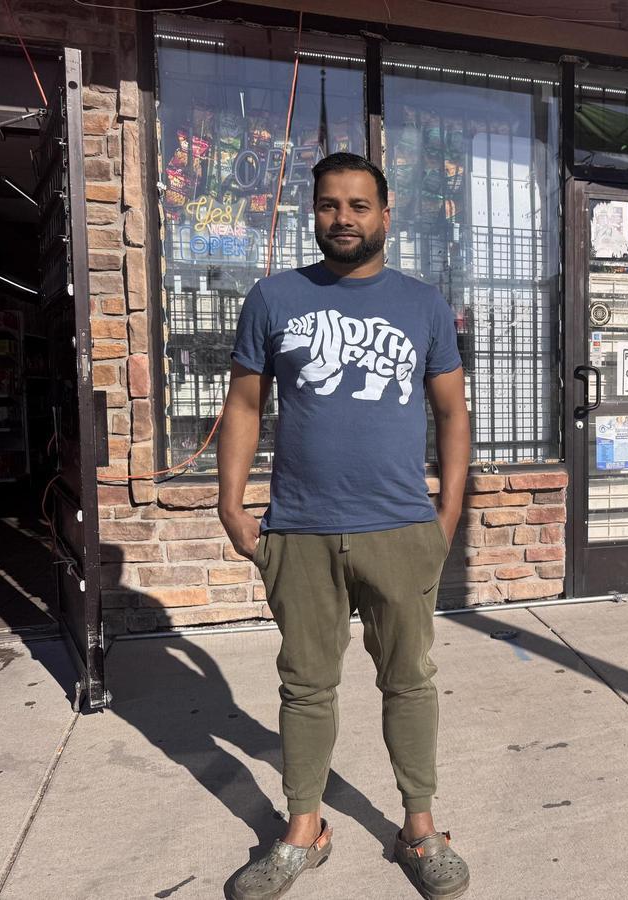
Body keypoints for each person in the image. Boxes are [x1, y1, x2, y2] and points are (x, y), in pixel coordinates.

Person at [218, 152, 471, 900]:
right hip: (298, 528)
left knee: (409, 681)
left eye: (360, 206)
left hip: (398, 526)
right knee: (305, 685)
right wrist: (232, 504)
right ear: (313, 213)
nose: (344, 219)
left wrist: (447, 515)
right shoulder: (273, 298)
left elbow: (453, 413)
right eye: (330, 205)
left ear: (386, 215)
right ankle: (305, 828)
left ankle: (420, 828)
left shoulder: (423, 305)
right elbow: (243, 404)